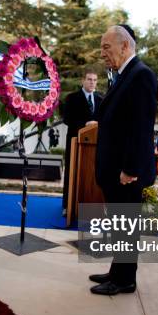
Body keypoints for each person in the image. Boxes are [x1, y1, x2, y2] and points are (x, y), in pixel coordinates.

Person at [89, 24, 157, 296]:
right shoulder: (124, 74)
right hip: (114, 168)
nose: (102, 52)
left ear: (124, 45)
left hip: (125, 171)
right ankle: (117, 271)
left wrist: (130, 169)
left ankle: (125, 280)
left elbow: (141, 126)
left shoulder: (141, 75)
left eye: (107, 46)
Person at [61, 69, 104, 213]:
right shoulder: (72, 98)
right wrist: (85, 125)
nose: (92, 82)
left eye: (95, 80)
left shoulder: (101, 99)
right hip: (75, 142)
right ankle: (67, 205)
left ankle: (91, 206)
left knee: (93, 174)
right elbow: (67, 119)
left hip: (94, 145)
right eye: (89, 79)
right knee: (71, 173)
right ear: (83, 81)